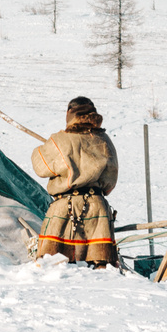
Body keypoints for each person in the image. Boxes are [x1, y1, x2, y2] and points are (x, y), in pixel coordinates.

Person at [31, 96, 119, 267]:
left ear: (69, 114)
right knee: (99, 267)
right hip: (97, 208)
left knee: (54, 266)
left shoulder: (59, 140)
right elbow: (111, 179)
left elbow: (40, 167)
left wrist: (43, 149)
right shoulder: (104, 141)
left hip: (65, 208)